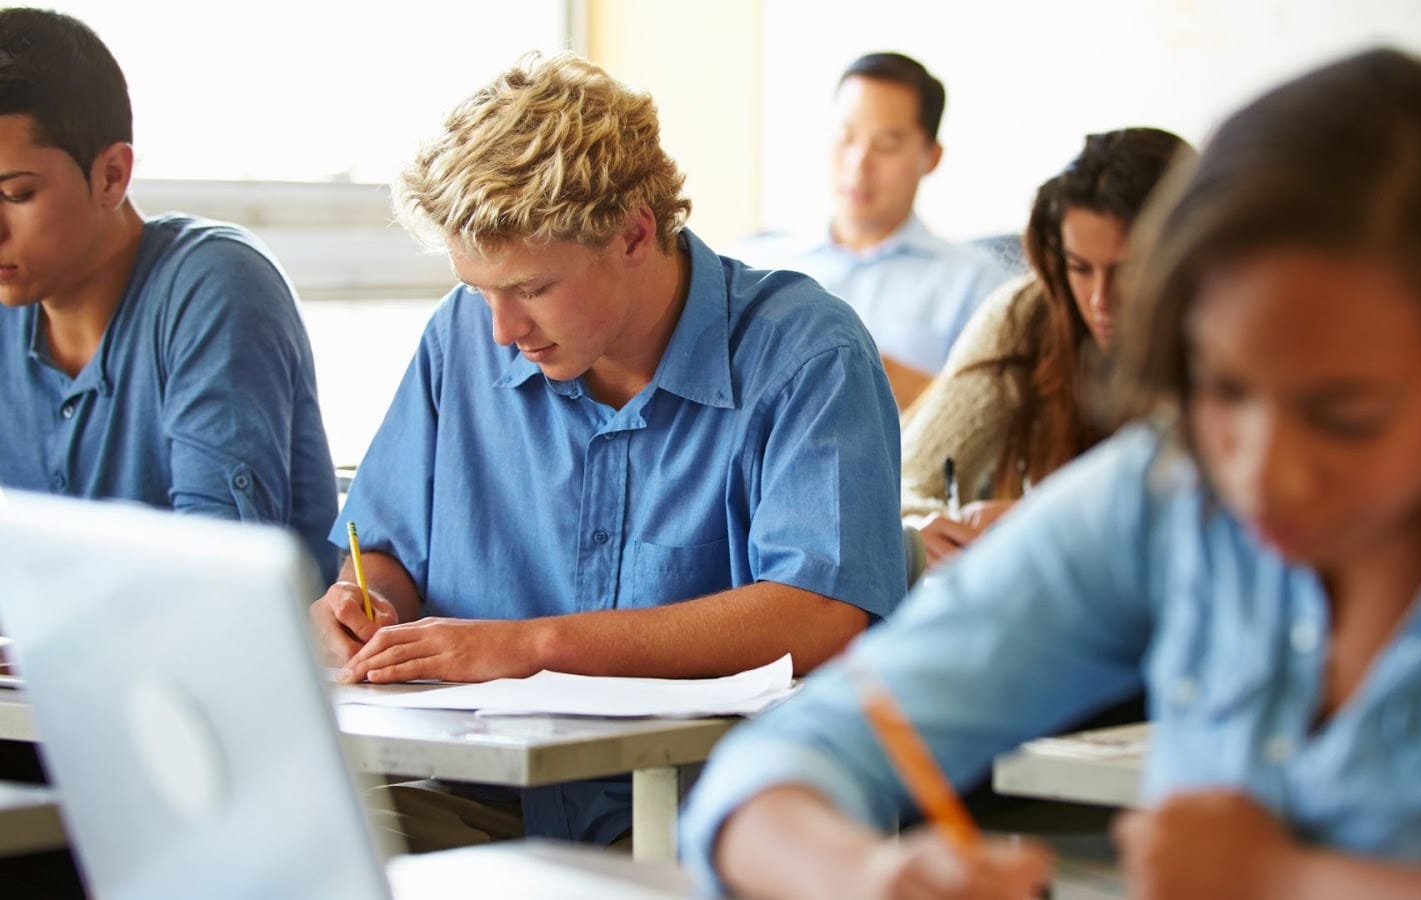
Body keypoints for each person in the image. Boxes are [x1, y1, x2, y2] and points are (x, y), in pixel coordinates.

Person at [681, 47, 1421, 900]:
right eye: (1222, 390)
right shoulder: (1165, 495)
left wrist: (1294, 880)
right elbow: (781, 764)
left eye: (1344, 415)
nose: (1261, 473)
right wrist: (868, 876)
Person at [310, 51, 905, 847]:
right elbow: (384, 552)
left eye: (531, 289)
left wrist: (532, 648)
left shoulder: (806, 356)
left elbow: (821, 614)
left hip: (712, 815)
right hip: (485, 800)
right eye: (480, 289)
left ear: (634, 233)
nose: (501, 330)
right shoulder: (461, 340)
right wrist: (365, 603)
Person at [0, 8, 339, 583]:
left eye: (17, 193)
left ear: (111, 175)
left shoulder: (214, 288)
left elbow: (221, 584)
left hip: (219, 668)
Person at [903, 128, 1191, 575]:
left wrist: (1041, 523)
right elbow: (905, 481)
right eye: (1080, 268)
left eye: (1128, 271)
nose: (1100, 299)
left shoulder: (1232, 344)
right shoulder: (1025, 315)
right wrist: (927, 526)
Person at [734, 52, 1010, 408]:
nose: (858, 164)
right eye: (845, 137)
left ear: (931, 156)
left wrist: (871, 371)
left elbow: (999, 421)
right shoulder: (752, 264)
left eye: (886, 144)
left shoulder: (978, 285)